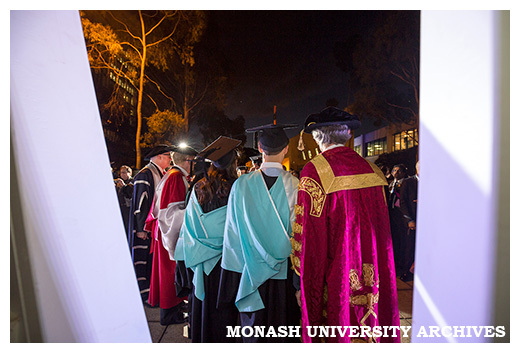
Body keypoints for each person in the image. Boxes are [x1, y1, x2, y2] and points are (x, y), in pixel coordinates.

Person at [291, 106, 400, 343]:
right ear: (349, 134)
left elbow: (310, 238)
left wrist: (304, 281)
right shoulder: (373, 172)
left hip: (337, 277)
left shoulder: (315, 171)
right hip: (373, 275)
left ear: (317, 137)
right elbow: (384, 236)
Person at [219, 123, 300, 343]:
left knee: (253, 329)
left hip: (249, 271)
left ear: (260, 149)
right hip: (284, 271)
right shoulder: (296, 185)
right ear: (286, 149)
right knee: (282, 328)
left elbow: (232, 233)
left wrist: (232, 274)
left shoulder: (241, 185)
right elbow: (298, 234)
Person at [174, 136, 242, 342]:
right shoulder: (238, 188)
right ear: (233, 163)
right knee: (228, 315)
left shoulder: (198, 189)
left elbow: (188, 229)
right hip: (230, 264)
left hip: (202, 263)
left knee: (204, 314)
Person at [145, 144, 198, 325]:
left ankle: (173, 309)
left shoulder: (173, 175)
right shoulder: (176, 177)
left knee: (169, 274)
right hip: (170, 233)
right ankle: (170, 314)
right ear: (188, 161)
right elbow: (171, 212)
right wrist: (193, 212)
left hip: (165, 231)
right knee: (170, 274)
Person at [128, 145, 174, 304]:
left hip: (152, 226)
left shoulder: (157, 173)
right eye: (168, 156)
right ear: (159, 157)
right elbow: (141, 203)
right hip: (144, 228)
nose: (170, 159)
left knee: (150, 260)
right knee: (142, 260)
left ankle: (151, 292)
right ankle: (143, 293)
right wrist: (141, 228)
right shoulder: (145, 174)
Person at [398, 161, 419, 282]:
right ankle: (407, 272)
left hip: (427, 221)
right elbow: (403, 203)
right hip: (412, 219)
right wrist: (409, 220)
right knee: (410, 247)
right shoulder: (408, 182)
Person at [388, 164, 409, 276]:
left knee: (403, 240)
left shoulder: (407, 182)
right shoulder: (391, 183)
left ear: (403, 172)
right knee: (394, 238)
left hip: (402, 215)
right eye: (394, 170)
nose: (396, 173)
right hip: (392, 214)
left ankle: (402, 264)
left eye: (398, 171)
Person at [115, 165, 134, 235]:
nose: (122, 175)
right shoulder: (119, 183)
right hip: (120, 208)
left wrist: (123, 186)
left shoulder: (132, 181)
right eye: (121, 173)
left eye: (124, 172)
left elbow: (130, 193)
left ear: (129, 173)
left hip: (128, 208)